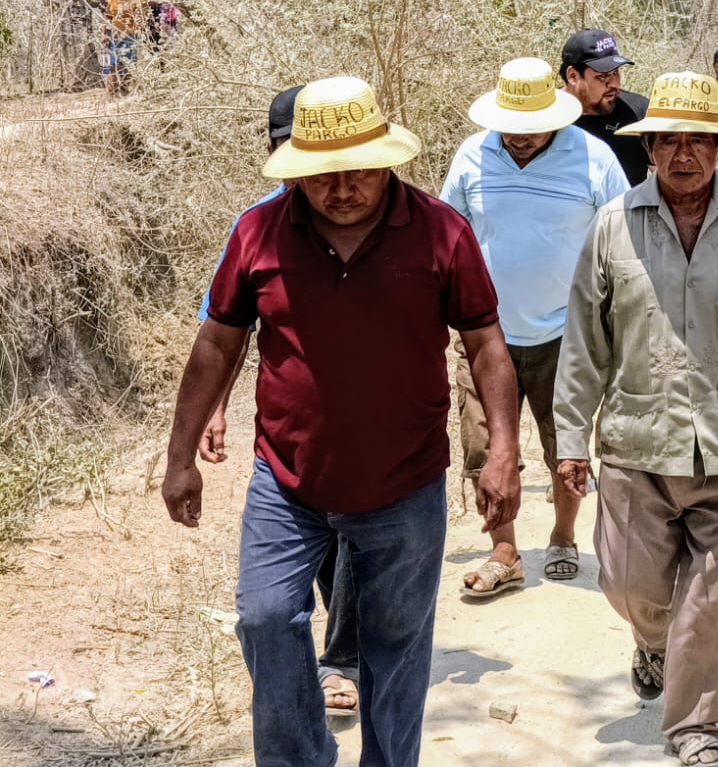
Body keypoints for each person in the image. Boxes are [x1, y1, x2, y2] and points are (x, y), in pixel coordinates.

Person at [161, 76, 521, 767]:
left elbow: (485, 342)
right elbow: (218, 340)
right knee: (266, 619)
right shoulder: (258, 232)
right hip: (287, 482)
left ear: (388, 158)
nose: (344, 186)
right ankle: (300, 758)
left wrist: (501, 448)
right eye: (324, 172)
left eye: (360, 168)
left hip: (405, 481)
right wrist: (180, 455)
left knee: (396, 651)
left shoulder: (441, 231)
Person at [555, 72, 718, 767]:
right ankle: (653, 643)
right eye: (669, 141)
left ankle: (694, 728)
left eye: (699, 141)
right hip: (634, 443)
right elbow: (583, 342)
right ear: (650, 147)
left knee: (716, 598)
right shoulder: (613, 224)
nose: (683, 154)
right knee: (632, 587)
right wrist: (571, 438)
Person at [196, 86, 361, 715]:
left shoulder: (373, 218)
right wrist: (214, 409)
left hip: (371, 441)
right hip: (292, 441)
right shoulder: (256, 227)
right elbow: (225, 328)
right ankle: (312, 691)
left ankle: (343, 660)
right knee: (289, 586)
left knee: (351, 548)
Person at [443, 58, 629, 596]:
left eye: (533, 127)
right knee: (482, 447)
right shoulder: (472, 156)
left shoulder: (593, 158)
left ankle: (564, 535)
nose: (521, 137)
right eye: (511, 127)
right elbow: (449, 236)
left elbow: (622, 239)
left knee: (563, 447)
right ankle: (504, 550)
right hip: (484, 336)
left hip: (565, 335)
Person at [563, 29, 651, 186]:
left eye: (616, 73)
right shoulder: (549, 119)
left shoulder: (637, 112)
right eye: (602, 76)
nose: (614, 85)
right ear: (573, 76)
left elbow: (664, 177)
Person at [102, 0, 149, 95]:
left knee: (127, 64)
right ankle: (113, 90)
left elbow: (142, 19)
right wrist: (105, 33)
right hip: (115, 35)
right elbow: (108, 16)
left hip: (130, 36)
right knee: (112, 63)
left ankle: (125, 89)